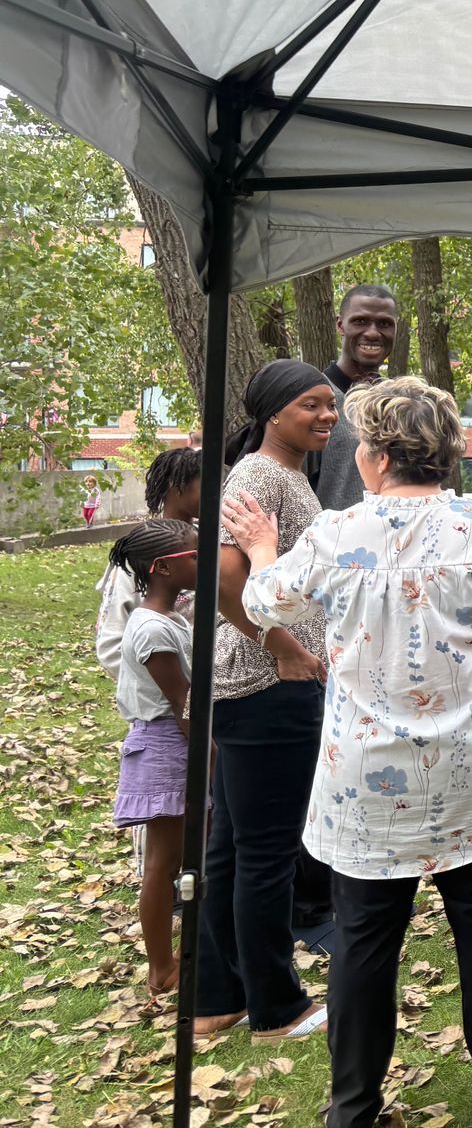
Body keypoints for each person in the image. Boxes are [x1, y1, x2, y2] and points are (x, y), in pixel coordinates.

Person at [222, 376, 472, 1128]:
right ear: (446, 456)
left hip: (365, 782)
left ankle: (352, 1107)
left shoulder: (335, 535)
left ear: (378, 456)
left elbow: (262, 603)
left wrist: (260, 547)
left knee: (363, 938)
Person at [194, 359, 337, 1042]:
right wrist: (279, 644)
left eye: (330, 405)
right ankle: (278, 1007)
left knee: (232, 845)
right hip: (268, 683)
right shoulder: (259, 475)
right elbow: (224, 577)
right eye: (311, 404)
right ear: (273, 412)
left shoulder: (282, 474)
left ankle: (218, 996)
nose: (326, 416)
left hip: (257, 683)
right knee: (266, 851)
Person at [106, 517, 196, 997]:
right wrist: (213, 758)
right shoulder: (151, 630)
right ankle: (161, 967)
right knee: (163, 862)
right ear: (162, 568)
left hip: (175, 743)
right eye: (194, 556)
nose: (203, 561)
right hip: (165, 747)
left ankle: (185, 953)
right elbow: (183, 705)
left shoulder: (170, 620)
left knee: (184, 857)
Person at [96, 446, 202, 681]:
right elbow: (111, 644)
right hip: (165, 705)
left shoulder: (217, 545)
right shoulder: (141, 553)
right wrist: (166, 688)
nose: (218, 493)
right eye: (206, 484)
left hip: (215, 697)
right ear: (177, 486)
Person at [308, 283, 400, 511]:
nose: (372, 332)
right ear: (340, 324)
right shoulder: (307, 401)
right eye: (360, 321)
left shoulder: (401, 405)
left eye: (385, 324)